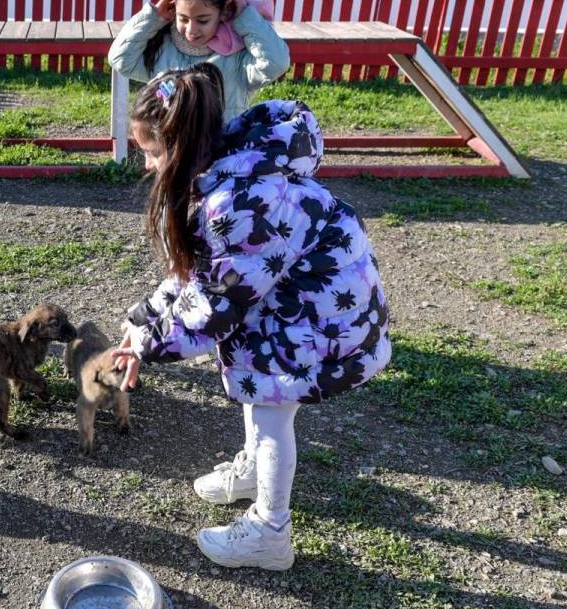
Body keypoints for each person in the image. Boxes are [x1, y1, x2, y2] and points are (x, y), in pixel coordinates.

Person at [114, 64, 392, 570]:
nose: (150, 166)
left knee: (271, 417)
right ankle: (251, 474)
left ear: (181, 146)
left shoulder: (238, 203)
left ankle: (270, 532)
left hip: (313, 320)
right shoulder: (229, 171)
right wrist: (145, 316)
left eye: (153, 153)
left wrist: (147, 345)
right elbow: (201, 273)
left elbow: (213, 309)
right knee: (257, 395)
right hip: (296, 304)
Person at [107, 0, 290, 123]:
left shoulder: (236, 56)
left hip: (221, 153)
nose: (191, 29)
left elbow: (276, 63)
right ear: (173, 8)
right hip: (171, 152)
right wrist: (153, 17)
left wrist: (245, 16)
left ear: (224, 13)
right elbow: (121, 59)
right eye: (183, 18)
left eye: (202, 21)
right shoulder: (162, 47)